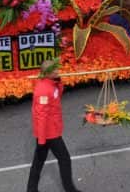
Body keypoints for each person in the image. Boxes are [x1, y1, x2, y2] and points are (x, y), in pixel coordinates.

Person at [28, 59, 82, 192]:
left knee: (38, 162)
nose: (58, 71)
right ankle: (70, 189)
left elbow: (58, 95)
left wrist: (59, 82)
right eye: (55, 71)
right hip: (49, 133)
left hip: (52, 128)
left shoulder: (52, 84)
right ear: (47, 74)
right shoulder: (43, 91)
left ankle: (31, 189)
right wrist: (41, 140)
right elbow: (41, 117)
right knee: (64, 159)